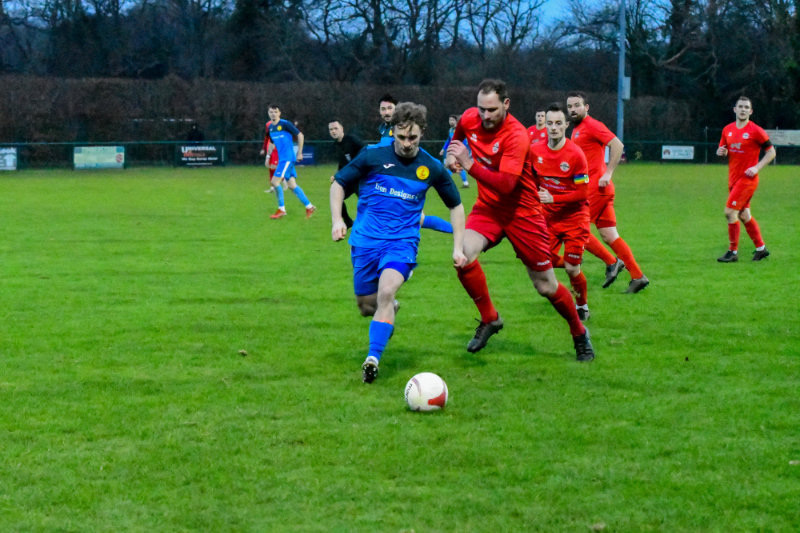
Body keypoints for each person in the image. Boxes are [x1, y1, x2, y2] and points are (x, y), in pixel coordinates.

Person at [446, 79, 595, 362]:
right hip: (488, 209)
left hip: (523, 214)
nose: (485, 116)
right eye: (481, 109)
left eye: (492, 110)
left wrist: (469, 164)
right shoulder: (469, 118)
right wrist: (450, 157)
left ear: (506, 104)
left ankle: (579, 332)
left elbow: (506, 185)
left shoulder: (516, 135)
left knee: (546, 286)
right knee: (462, 256)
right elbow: (456, 140)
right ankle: (490, 318)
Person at [330, 102, 466, 383]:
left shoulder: (431, 166)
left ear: (422, 132)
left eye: (412, 137)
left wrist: (457, 247)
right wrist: (336, 220)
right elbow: (338, 184)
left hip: (401, 243)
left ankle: (372, 359)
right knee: (367, 306)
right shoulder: (372, 156)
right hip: (365, 242)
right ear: (392, 131)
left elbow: (456, 206)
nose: (406, 143)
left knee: (386, 292)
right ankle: (389, 310)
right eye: (401, 136)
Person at [567, 91, 649, 293]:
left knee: (575, 229)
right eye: (569, 106)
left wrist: (608, 172)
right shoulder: (576, 130)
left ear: (586, 107)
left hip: (597, 188)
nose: (573, 109)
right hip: (594, 187)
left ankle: (612, 262)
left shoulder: (592, 125)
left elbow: (617, 145)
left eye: (577, 105)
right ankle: (638, 276)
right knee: (609, 234)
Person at [532, 103, 592, 321]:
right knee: (539, 261)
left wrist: (554, 198)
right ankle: (570, 264)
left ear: (566, 125)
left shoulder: (576, 155)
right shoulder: (535, 151)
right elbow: (531, 181)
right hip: (548, 218)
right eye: (550, 123)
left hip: (575, 219)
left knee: (572, 270)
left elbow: (583, 193)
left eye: (558, 123)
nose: (554, 128)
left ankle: (582, 306)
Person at [375, 92, 453, 234]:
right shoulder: (384, 129)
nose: (386, 112)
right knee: (411, 219)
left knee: (417, 219)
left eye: (390, 108)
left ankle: (459, 231)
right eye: (383, 109)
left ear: (396, 109)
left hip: (405, 179)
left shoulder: (402, 130)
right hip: (390, 180)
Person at [715, 96, 776, 262]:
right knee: (744, 215)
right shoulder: (727, 130)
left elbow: (771, 152)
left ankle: (732, 252)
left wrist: (757, 167)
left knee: (729, 212)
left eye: (746, 107)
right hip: (733, 179)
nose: (743, 109)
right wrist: (721, 152)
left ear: (751, 111)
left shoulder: (756, 130)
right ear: (735, 109)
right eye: (740, 106)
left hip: (748, 180)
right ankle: (761, 249)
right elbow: (723, 150)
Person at [259, 104, 316, 219]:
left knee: (275, 182)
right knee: (292, 185)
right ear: (268, 113)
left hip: (287, 158)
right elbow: (272, 143)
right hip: (283, 159)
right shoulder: (270, 127)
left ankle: (281, 210)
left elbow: (300, 135)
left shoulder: (285, 124)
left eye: (275, 112)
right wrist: (268, 157)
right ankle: (309, 206)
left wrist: (299, 152)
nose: (273, 114)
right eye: (271, 112)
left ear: (279, 113)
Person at [328, 119, 365, 228]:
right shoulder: (336, 145)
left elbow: (365, 150)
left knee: (366, 202)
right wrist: (336, 175)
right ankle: (348, 221)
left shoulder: (352, 140)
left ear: (342, 129)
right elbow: (343, 163)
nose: (333, 131)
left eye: (336, 128)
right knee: (336, 197)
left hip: (360, 178)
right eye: (331, 129)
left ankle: (370, 224)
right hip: (349, 179)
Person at [440, 114, 470, 188]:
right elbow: (448, 140)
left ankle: (444, 181)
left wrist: (462, 150)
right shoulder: (450, 130)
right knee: (456, 166)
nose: (451, 121)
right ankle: (465, 183)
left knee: (453, 165)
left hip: (459, 151)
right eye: (450, 120)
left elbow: (464, 140)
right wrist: (443, 149)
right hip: (453, 150)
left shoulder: (460, 129)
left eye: (452, 120)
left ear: (456, 121)